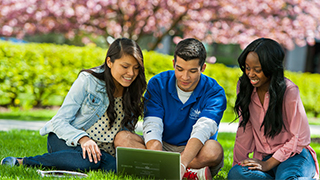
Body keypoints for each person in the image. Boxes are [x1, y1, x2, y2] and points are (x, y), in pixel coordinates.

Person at [1, 38, 147, 173]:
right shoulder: (88, 81)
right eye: (125, 66)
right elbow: (59, 121)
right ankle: (24, 162)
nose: (131, 73)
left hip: (102, 153)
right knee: (88, 162)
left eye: (135, 68)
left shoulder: (133, 90)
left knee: (115, 168)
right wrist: (83, 139)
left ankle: (94, 161)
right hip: (69, 141)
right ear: (109, 62)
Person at [114, 38, 227, 180]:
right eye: (179, 69)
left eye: (192, 71)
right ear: (173, 64)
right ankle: (189, 174)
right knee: (122, 138)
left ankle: (160, 169)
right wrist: (159, 157)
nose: (184, 77)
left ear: (203, 68)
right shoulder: (158, 83)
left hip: (195, 150)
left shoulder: (215, 92)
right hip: (162, 145)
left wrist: (182, 163)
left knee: (214, 150)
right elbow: (153, 125)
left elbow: (202, 130)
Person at [228, 38, 319, 179]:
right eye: (247, 67)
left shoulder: (289, 90)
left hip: (294, 156)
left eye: (257, 70)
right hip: (264, 157)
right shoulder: (244, 86)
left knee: (286, 177)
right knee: (236, 174)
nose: (250, 74)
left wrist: (268, 164)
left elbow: (300, 137)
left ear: (271, 67)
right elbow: (244, 129)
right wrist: (239, 164)